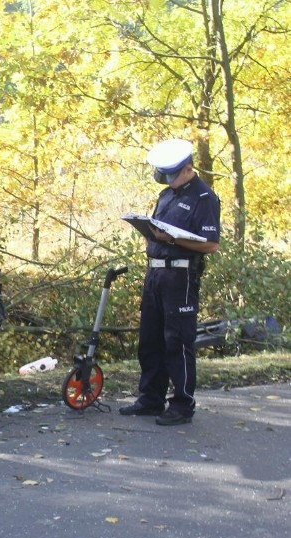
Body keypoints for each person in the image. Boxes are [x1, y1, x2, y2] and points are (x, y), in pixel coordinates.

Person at [119, 139, 221, 426]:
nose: (167, 180)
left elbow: (211, 244)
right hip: (155, 273)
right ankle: (151, 398)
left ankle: (182, 404)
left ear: (188, 169)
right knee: (150, 339)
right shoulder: (166, 195)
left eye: (171, 175)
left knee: (177, 341)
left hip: (181, 276)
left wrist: (172, 239)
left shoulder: (205, 198)